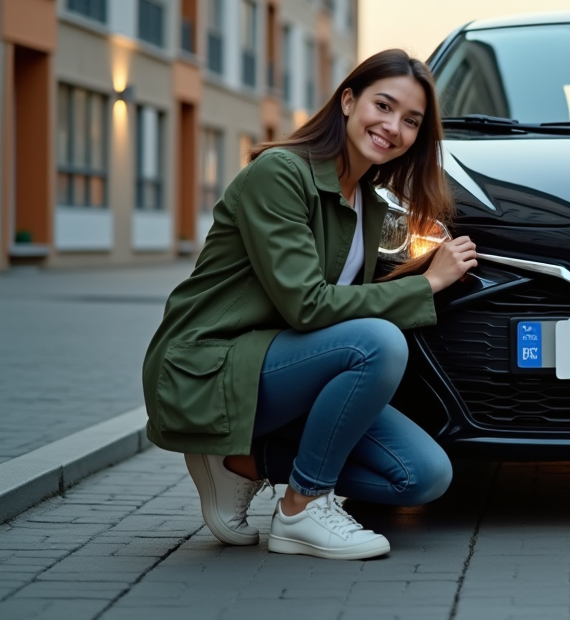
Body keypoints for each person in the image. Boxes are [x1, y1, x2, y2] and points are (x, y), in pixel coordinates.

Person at [141, 49, 477, 560]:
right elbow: (308, 307)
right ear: (348, 100)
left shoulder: (370, 199)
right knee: (377, 342)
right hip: (210, 364)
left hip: (283, 365)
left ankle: (244, 464)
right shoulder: (281, 174)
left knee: (423, 476)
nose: (393, 127)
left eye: (410, 121)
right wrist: (427, 284)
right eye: (383, 106)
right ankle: (303, 507)